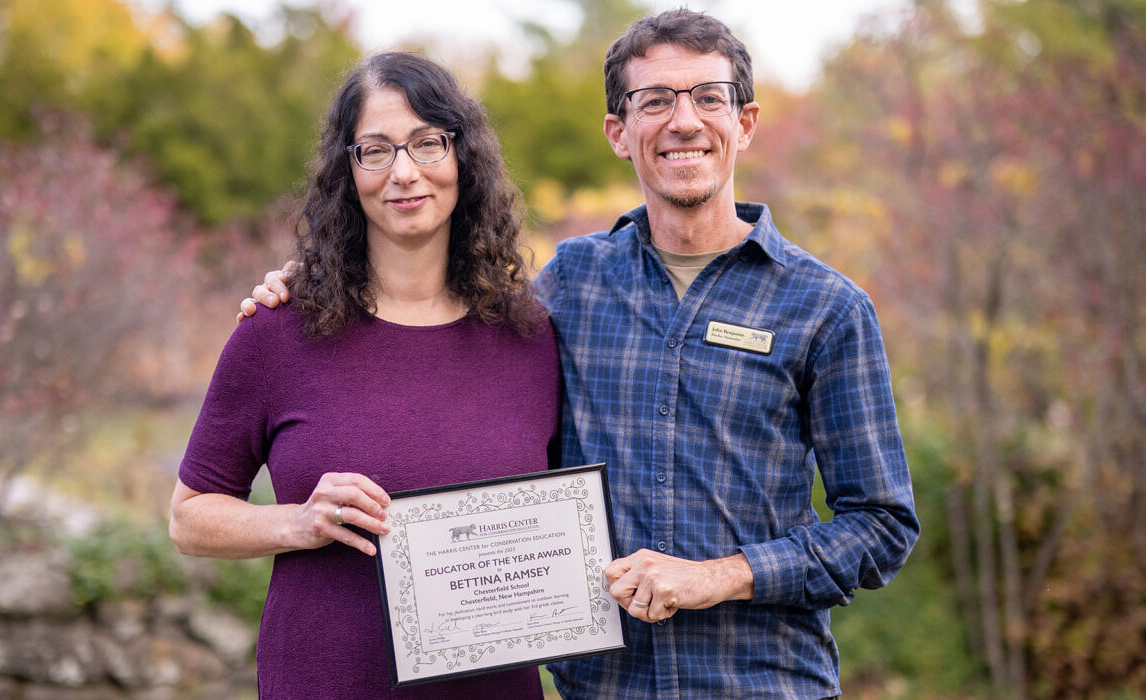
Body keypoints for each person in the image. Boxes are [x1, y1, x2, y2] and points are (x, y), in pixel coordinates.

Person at [242, 10, 918, 698]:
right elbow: (431, 313)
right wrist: (313, 281)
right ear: (618, 133)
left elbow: (882, 526)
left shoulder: (827, 308)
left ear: (743, 123)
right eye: (654, 100)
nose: (682, 121)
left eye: (708, 97)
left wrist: (719, 575)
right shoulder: (568, 288)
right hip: (605, 688)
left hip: (766, 685)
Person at [170, 52, 556, 699]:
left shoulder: (528, 336)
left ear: (463, 157)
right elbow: (188, 519)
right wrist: (297, 524)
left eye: (427, 143)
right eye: (375, 151)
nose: (404, 172)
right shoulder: (278, 331)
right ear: (348, 172)